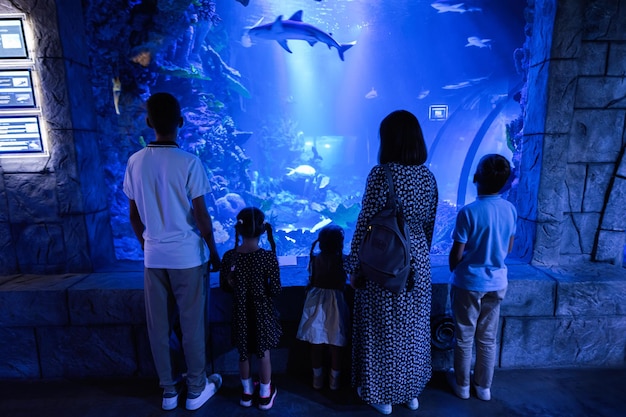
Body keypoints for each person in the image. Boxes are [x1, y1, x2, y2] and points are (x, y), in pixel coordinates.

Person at [123, 92, 222, 411]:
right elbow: (202, 217)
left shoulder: (135, 162)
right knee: (192, 324)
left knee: (159, 326)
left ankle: (168, 390)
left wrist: (146, 244)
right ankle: (196, 388)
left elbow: (134, 216)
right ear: (180, 122)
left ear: (149, 122)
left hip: (154, 259)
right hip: (189, 259)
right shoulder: (190, 163)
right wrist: (215, 252)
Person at [347, 110, 438, 415]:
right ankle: (410, 393)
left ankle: (382, 395)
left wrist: (352, 265)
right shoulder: (428, 176)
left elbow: (365, 222)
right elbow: (429, 223)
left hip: (386, 260)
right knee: (413, 329)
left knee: (382, 328)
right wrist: (418, 252)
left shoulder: (381, 174)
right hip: (418, 262)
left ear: (388, 140)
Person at [446, 154, 517, 402]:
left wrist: (455, 268)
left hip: (469, 282)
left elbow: (457, 253)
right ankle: (484, 388)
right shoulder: (510, 210)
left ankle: (463, 386)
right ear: (506, 182)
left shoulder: (468, 212)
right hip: (497, 282)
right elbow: (508, 248)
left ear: (476, 178)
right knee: (487, 338)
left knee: (465, 336)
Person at [220, 207, 282, 410]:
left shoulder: (230, 256)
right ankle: (265, 393)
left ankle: (246, 393)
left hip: (241, 312)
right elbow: (276, 289)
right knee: (264, 353)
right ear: (263, 230)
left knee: (243, 352)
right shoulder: (267, 257)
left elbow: (224, 286)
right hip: (262, 311)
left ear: (239, 229)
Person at [296, 224, 350, 391]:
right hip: (336, 304)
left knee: (316, 343)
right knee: (336, 344)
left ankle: (317, 379)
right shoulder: (343, 259)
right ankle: (334, 382)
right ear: (340, 243)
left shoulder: (314, 259)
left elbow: (310, 278)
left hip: (315, 302)